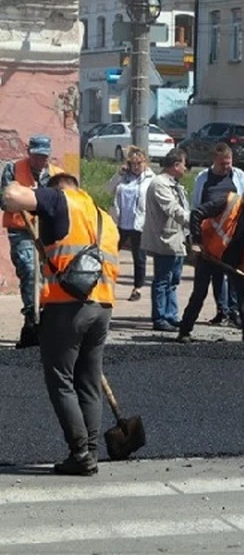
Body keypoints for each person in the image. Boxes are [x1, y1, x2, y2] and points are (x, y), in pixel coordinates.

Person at [1, 172, 120, 476]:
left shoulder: (58, 199)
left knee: (61, 379)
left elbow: (11, 199)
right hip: (102, 307)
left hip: (66, 308)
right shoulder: (103, 217)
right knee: (89, 382)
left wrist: (14, 183)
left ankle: (79, 452)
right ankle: (90, 453)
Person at [177, 186, 244, 344]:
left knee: (243, 292)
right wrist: (197, 242)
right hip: (210, 253)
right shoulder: (228, 202)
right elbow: (196, 214)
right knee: (200, 292)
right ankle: (184, 331)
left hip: (234, 258)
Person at [0, 135, 64, 348]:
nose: (40, 160)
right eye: (36, 155)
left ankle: (47, 316)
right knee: (29, 271)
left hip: (47, 232)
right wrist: (24, 200)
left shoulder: (57, 175)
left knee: (51, 275)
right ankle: (31, 318)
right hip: (22, 230)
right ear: (29, 153)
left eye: (44, 156)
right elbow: (5, 200)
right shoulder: (13, 170)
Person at [191, 142, 244, 327]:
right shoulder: (203, 178)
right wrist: (196, 238)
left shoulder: (239, 176)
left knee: (234, 275)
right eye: (222, 164)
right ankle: (222, 311)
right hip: (211, 237)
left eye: (228, 163)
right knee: (215, 276)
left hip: (233, 237)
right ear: (214, 161)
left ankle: (234, 312)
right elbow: (196, 207)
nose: (226, 167)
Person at [141, 149, 190, 332]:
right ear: (176, 165)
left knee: (173, 280)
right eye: (184, 164)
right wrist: (194, 220)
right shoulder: (160, 184)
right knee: (162, 279)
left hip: (177, 240)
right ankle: (160, 317)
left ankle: (171, 315)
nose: (186, 168)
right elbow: (173, 209)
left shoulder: (175, 184)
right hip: (165, 240)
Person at [105, 146, 155, 301]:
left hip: (139, 223)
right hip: (120, 222)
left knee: (139, 258)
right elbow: (108, 189)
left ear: (145, 162)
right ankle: (106, 283)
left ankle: (137, 288)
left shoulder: (151, 178)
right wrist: (118, 174)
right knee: (109, 253)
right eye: (133, 163)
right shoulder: (124, 177)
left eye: (140, 163)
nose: (137, 166)